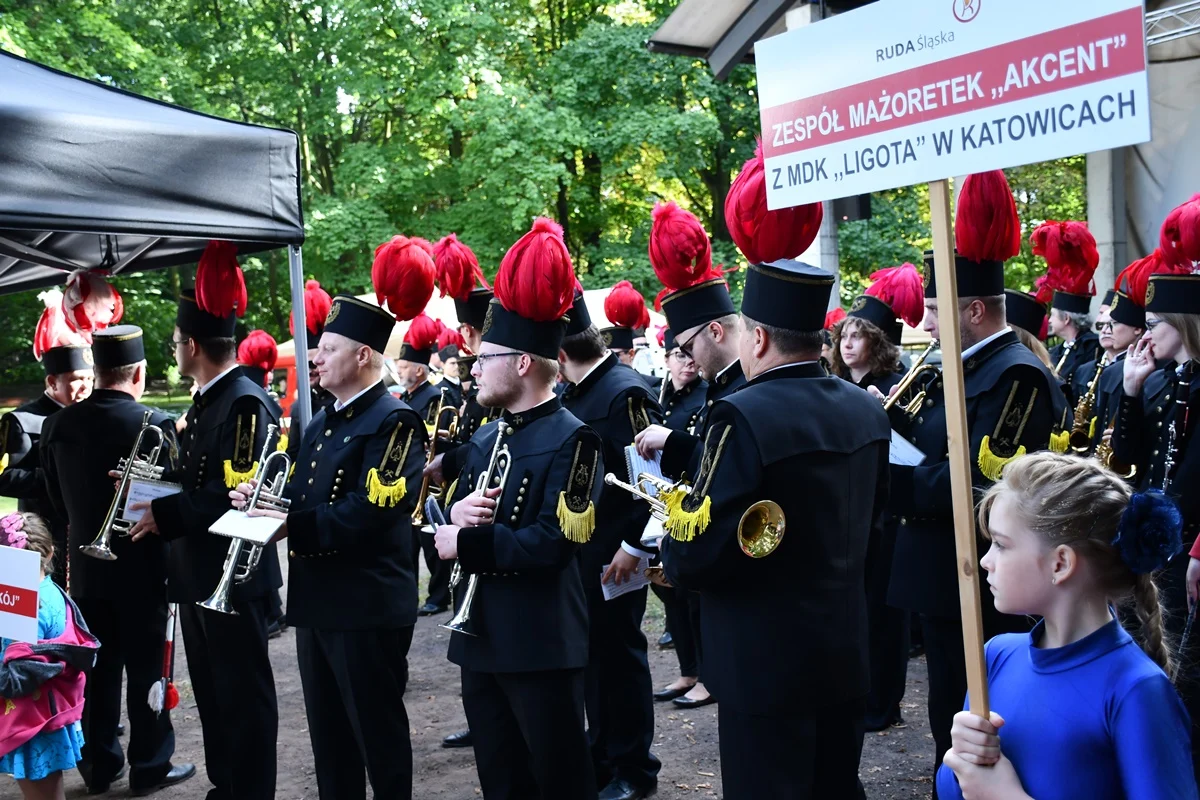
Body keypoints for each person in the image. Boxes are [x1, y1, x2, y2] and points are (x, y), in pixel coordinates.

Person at [662, 255, 889, 799]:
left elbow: (700, 552)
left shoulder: (740, 415)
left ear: (758, 338)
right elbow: (878, 527)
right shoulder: (867, 410)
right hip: (844, 649)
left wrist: (671, 540)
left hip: (763, 663)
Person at [881, 172, 1065, 786]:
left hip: (981, 576)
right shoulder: (949, 369)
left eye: (935, 311)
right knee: (946, 714)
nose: (925, 325)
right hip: (935, 568)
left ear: (975, 310)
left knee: (978, 715)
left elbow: (988, 489)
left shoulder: (1015, 375)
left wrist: (890, 483)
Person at [233, 251, 432, 799]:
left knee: (377, 737)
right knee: (330, 741)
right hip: (320, 601)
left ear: (364, 356)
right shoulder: (322, 418)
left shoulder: (394, 420)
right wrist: (263, 499)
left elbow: (371, 513)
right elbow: (305, 490)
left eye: (328, 349)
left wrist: (289, 523)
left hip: (366, 605)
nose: (315, 359)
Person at [433, 218, 602, 799]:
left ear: (525, 363)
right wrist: (455, 517)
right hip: (481, 638)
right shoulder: (483, 439)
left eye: (487, 356)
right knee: (500, 783)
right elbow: (456, 522)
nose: (473, 367)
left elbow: (556, 545)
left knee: (559, 782)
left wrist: (469, 542)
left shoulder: (578, 440)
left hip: (541, 645)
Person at [938, 452, 1197, 800]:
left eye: (1000, 544)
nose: (985, 561)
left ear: (1060, 563)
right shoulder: (995, 655)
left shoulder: (1136, 691)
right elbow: (955, 790)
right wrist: (962, 759)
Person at [129, 242, 281, 800]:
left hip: (232, 579)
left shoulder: (242, 402)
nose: (174, 351)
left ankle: (250, 790)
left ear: (192, 345)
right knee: (216, 694)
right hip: (199, 574)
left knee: (242, 695)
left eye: (174, 343)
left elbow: (231, 495)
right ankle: (228, 784)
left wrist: (161, 512)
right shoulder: (209, 402)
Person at [40, 325, 194, 796]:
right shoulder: (155, 422)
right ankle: (150, 764)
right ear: (139, 372)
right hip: (145, 569)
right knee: (149, 668)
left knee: (96, 671)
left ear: (98, 371)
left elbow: (55, 501)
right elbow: (171, 498)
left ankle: (99, 766)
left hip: (85, 571)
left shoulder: (56, 424)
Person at [633, 200, 743, 710]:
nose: (684, 359)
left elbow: (727, 464)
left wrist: (676, 444)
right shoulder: (720, 386)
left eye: (687, 346)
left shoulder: (738, 389)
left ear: (715, 333)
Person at [559, 289, 663, 800]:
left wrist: (636, 548)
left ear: (559, 354)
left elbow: (656, 484)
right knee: (592, 657)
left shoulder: (627, 392)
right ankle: (601, 752)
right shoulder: (575, 393)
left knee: (620, 658)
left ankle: (634, 767)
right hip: (585, 553)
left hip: (620, 552)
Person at [1115, 266, 1200, 779]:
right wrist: (1129, 391)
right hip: (1161, 545)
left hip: (1190, 548)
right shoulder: (1167, 383)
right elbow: (1129, 464)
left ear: (1184, 323)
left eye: (1156, 324)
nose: (1147, 336)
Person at [837, 264, 925, 732]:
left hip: (891, 513)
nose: (847, 343)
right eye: (844, 335)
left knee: (885, 613)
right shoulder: (838, 385)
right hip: (853, 510)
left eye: (858, 335)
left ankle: (884, 702)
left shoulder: (898, 385)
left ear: (879, 341)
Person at [0, 512, 99, 800]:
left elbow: (14, 679)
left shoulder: (22, 607)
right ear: (51, 552)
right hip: (46, 714)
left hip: (32, 724)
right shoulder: (50, 590)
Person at [0, 291, 94, 589]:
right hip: (40, 531)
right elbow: (5, 477)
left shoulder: (90, 416)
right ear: (52, 382)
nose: (85, 387)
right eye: (76, 379)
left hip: (83, 528)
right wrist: (56, 476)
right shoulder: (19, 420)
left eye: (90, 379)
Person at [649, 329, 705, 684]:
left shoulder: (704, 396)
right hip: (661, 502)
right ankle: (687, 672)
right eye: (679, 355)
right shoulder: (662, 396)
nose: (688, 362)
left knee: (692, 596)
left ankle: (704, 676)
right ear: (666, 358)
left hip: (691, 502)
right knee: (668, 593)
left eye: (691, 354)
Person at [397, 314, 442, 424]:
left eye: (404, 367)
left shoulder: (434, 397)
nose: (398, 371)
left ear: (419, 371)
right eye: (399, 367)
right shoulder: (404, 395)